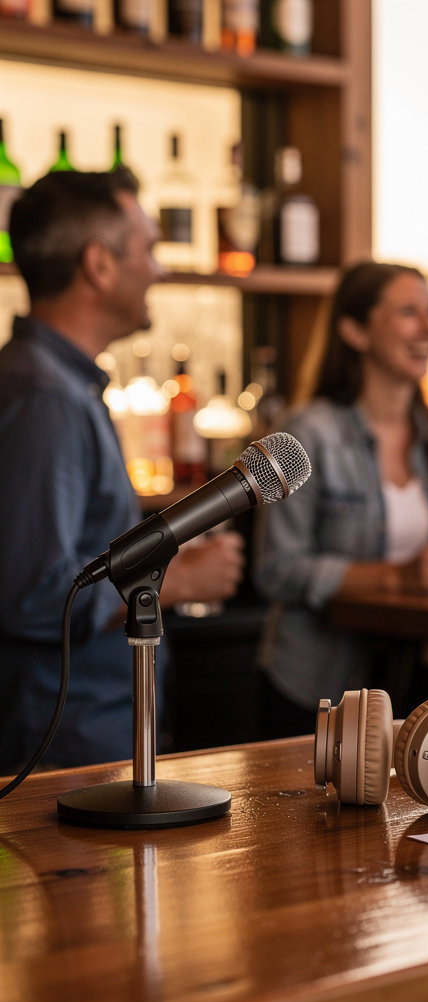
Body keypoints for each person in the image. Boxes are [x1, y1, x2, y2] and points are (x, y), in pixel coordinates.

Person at [0, 169, 245, 773]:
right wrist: (177, 579)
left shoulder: (57, 384)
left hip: (83, 739)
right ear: (99, 265)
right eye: (148, 249)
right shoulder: (47, 398)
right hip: (65, 751)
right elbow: (33, 594)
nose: (159, 270)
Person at [253, 261, 428, 730]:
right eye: (408, 313)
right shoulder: (306, 433)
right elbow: (277, 571)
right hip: (317, 688)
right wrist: (403, 576)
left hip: (421, 686)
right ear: (355, 331)